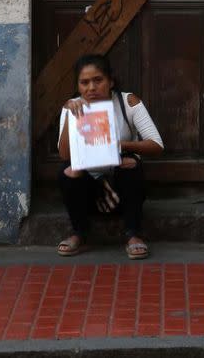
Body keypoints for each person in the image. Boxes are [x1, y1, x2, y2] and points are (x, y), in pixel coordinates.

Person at [57, 54, 164, 259]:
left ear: (110, 81)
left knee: (131, 164)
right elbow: (64, 154)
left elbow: (157, 145)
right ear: (78, 86)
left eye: (98, 80)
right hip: (89, 188)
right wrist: (71, 117)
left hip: (120, 185)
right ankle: (79, 232)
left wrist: (119, 145)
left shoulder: (127, 102)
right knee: (67, 172)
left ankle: (133, 234)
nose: (91, 88)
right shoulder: (72, 106)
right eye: (84, 82)